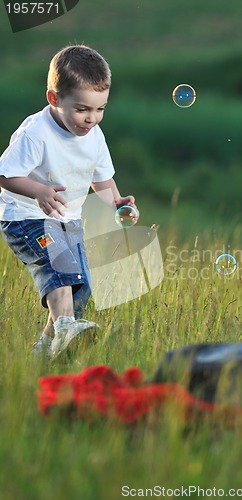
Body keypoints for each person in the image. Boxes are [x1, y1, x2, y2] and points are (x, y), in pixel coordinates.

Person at [0, 44, 138, 358]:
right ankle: (66, 326)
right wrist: (37, 190)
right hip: (25, 217)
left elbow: (100, 178)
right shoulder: (36, 133)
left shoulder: (95, 135)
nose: (91, 118)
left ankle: (45, 348)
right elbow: (5, 175)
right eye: (82, 109)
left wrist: (117, 202)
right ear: (54, 99)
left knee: (81, 286)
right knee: (60, 272)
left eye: (100, 109)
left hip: (67, 219)